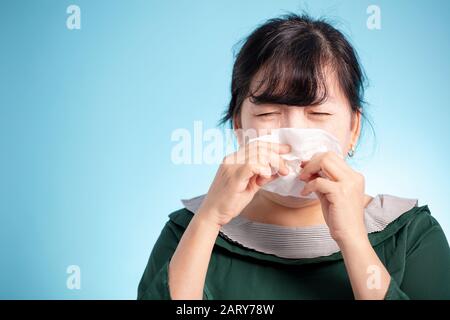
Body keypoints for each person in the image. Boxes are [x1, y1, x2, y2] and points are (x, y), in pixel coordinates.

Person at [138, 13, 450, 300]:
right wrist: (209, 220)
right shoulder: (186, 230)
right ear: (238, 125)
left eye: (318, 113)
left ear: (353, 127)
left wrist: (353, 240)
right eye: (270, 112)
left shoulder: (411, 234)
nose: (293, 134)